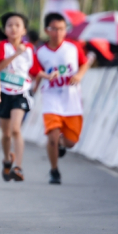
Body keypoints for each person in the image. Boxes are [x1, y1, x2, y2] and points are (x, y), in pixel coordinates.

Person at [35, 13, 90, 185]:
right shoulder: (41, 52)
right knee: (51, 136)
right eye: (53, 29)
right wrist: (46, 75)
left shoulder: (73, 48)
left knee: (72, 142)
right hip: (51, 97)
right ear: (46, 30)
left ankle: (59, 143)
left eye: (61, 29)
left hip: (71, 99)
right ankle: (54, 170)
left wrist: (80, 75)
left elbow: (84, 63)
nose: (57, 33)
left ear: (66, 30)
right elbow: (36, 71)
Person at [0, 12, 42, 182]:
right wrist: (15, 54)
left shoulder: (29, 49)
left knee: (15, 129)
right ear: (5, 30)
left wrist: (47, 76)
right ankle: (7, 159)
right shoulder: (2, 47)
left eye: (17, 25)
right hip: (3, 93)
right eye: (9, 25)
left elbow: (35, 71)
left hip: (21, 93)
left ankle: (18, 167)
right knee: (6, 134)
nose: (13, 28)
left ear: (24, 30)